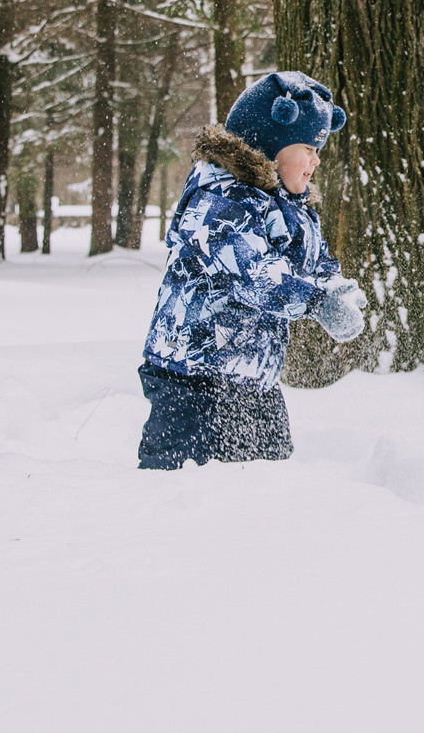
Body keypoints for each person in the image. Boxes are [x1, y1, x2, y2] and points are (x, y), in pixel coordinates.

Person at [136, 71, 368, 469]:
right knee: (181, 488)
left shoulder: (287, 207)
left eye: (320, 149)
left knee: (268, 480)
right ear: (271, 144)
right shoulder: (218, 202)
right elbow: (256, 276)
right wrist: (316, 301)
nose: (316, 159)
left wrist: (335, 287)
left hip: (251, 378)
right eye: (309, 148)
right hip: (193, 379)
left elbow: (313, 260)